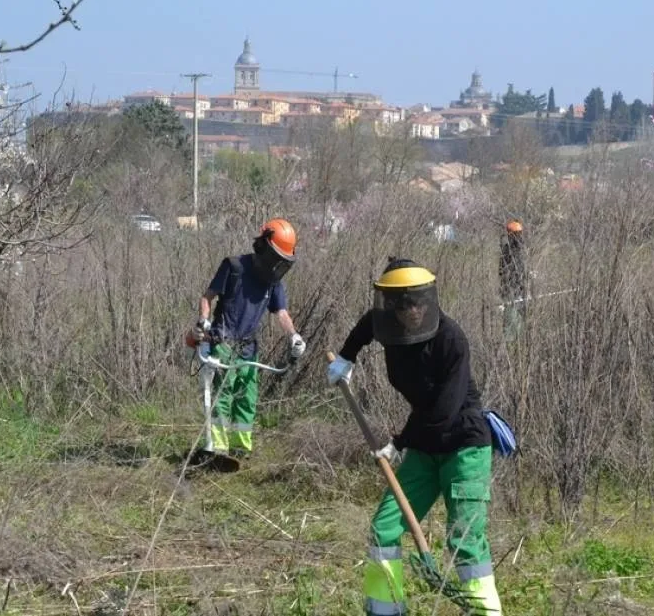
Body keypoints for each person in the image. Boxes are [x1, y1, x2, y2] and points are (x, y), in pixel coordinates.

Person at [327, 257, 502, 615]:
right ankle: (386, 609)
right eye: (404, 305)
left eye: (418, 304)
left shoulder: (451, 339)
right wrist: (346, 359)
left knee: (465, 540)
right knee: (384, 528)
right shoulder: (387, 327)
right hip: (425, 446)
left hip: (464, 445)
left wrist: (400, 442)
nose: (412, 312)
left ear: (428, 301)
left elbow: (443, 411)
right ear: (392, 306)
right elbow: (365, 327)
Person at [193, 218, 306, 459]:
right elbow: (207, 297)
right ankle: (218, 449)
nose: (276, 266)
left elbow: (281, 312)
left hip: (248, 348)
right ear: (263, 247)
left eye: (281, 262)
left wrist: (294, 336)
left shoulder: (273, 282)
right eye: (275, 258)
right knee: (222, 397)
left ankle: (241, 449)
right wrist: (204, 321)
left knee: (247, 399)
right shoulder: (234, 267)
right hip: (223, 342)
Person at [499, 220, 528, 338]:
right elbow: (503, 272)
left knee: (518, 320)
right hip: (512, 291)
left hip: (518, 291)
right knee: (512, 319)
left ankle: (517, 341)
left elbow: (520, 270)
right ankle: (511, 342)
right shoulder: (508, 251)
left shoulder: (519, 251)